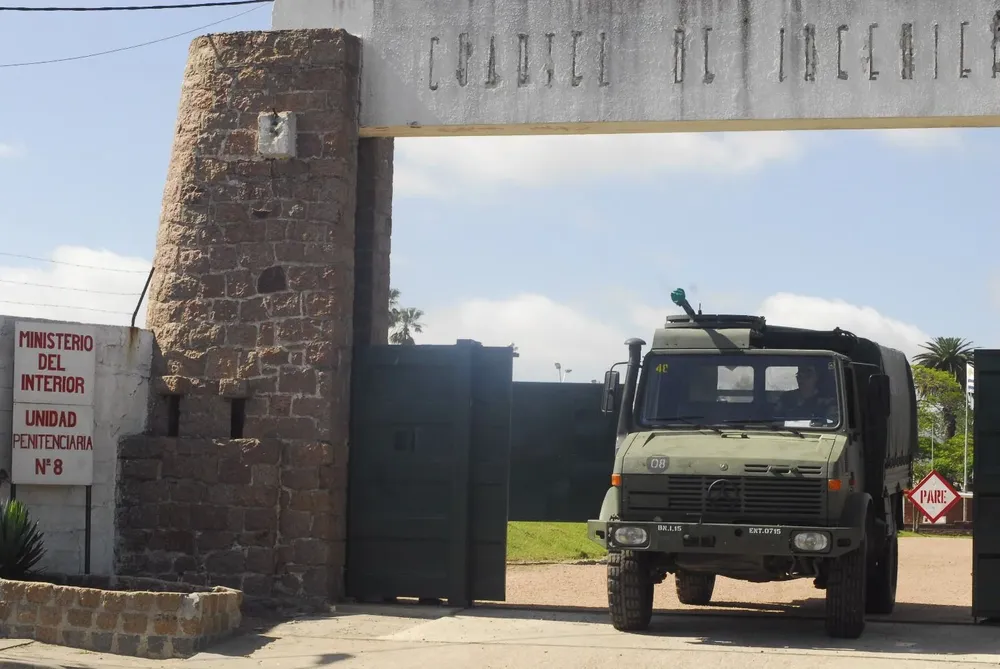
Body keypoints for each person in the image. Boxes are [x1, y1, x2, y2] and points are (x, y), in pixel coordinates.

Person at [774, 362, 839, 424]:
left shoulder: (828, 402)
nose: (802, 378)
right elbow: (775, 420)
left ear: (817, 376)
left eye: (808, 374)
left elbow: (831, 423)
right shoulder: (786, 398)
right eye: (799, 374)